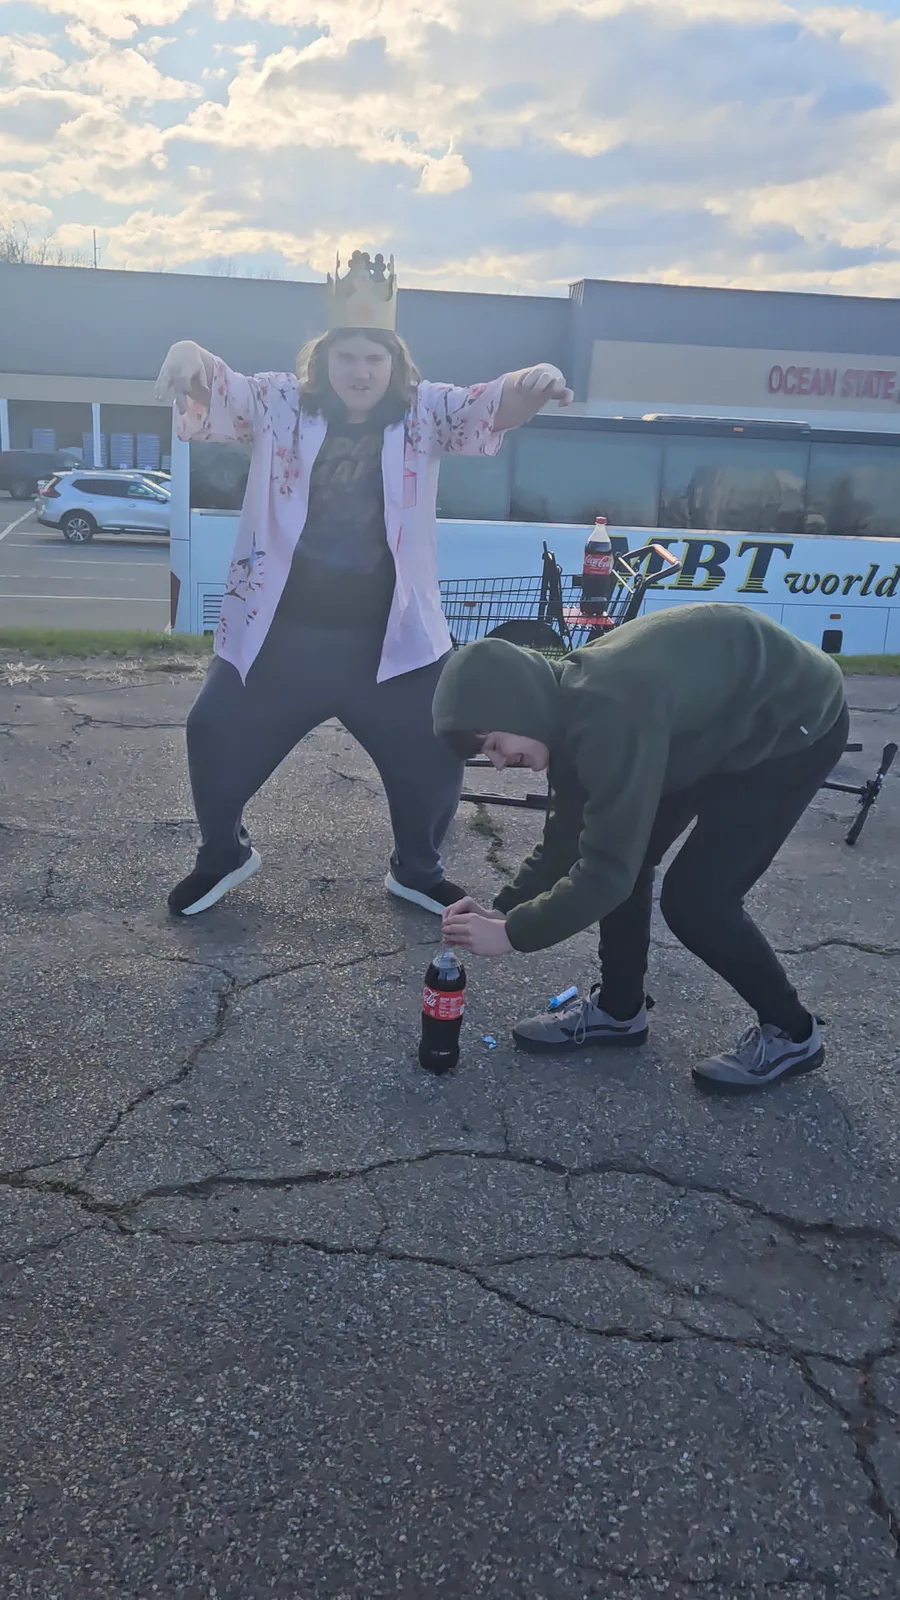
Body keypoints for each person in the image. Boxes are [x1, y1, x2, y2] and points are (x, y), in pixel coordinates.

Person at [155, 249, 573, 918]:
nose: (360, 371)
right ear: (323, 360)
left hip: (392, 641)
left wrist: (533, 381)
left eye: (374, 358)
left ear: (394, 363)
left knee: (437, 745)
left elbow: (490, 406)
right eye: (346, 356)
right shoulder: (279, 403)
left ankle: (418, 869)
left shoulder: (425, 412)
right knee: (213, 728)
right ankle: (221, 854)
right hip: (282, 635)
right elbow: (221, 387)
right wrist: (189, 355)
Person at [433, 602, 849, 1093]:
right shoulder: (561, 717)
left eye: (493, 744)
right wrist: (504, 909)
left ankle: (793, 1033)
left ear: (517, 705)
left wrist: (513, 934)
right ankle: (618, 1010)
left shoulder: (609, 712)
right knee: (624, 849)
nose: (499, 764)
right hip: (702, 726)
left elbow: (607, 872)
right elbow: (569, 842)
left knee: (698, 901)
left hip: (790, 720)